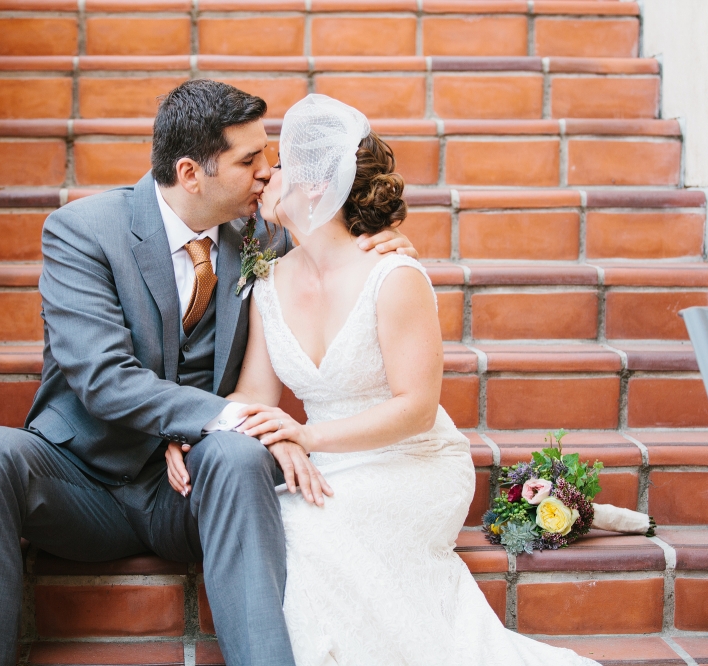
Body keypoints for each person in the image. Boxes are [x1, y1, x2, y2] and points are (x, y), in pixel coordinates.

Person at [0, 81, 415, 666]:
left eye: (268, 155)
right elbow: (103, 377)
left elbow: (336, 246)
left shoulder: (264, 232)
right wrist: (214, 416)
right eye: (250, 161)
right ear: (191, 173)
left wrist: (381, 246)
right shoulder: (83, 231)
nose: (269, 173)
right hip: (85, 482)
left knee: (240, 455)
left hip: (195, 491)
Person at [191, 94, 601, 665]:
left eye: (278, 165)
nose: (264, 176)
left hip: (409, 459)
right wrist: (203, 426)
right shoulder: (267, 278)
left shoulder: (394, 275)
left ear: (315, 186)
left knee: (310, 534)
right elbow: (255, 395)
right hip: (326, 464)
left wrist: (306, 436)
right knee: (278, 523)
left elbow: (415, 406)